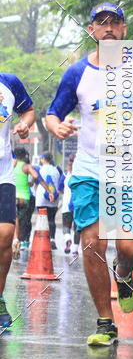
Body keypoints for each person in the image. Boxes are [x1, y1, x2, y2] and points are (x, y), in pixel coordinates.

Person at [46, 2, 133, 347]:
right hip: (90, 170)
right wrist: (58, 127)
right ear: (92, 31)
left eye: (115, 23)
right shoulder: (77, 73)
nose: (109, 28)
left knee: (130, 247)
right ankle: (105, 322)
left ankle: (124, 272)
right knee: (93, 242)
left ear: (125, 30)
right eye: (102, 24)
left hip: (132, 171)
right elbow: (53, 113)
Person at [0, 77, 36, 328]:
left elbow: (29, 111)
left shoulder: (9, 83)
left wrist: (24, 124)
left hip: (2, 172)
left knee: (5, 236)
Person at [13, 147, 53, 258]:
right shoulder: (27, 166)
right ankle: (19, 241)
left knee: (14, 219)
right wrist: (48, 190)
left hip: (13, 196)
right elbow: (36, 176)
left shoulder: (13, 164)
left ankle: (15, 239)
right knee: (22, 222)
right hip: (25, 198)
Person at [34, 152, 61, 249]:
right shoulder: (57, 170)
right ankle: (52, 240)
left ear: (43, 159)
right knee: (51, 220)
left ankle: (43, 241)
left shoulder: (39, 169)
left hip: (41, 198)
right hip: (54, 198)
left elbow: (36, 182)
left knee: (42, 219)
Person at [61, 156, 81, 255]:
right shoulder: (81, 175)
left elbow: (59, 189)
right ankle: (75, 250)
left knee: (66, 226)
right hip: (78, 206)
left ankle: (68, 239)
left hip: (66, 206)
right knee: (77, 228)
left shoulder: (65, 175)